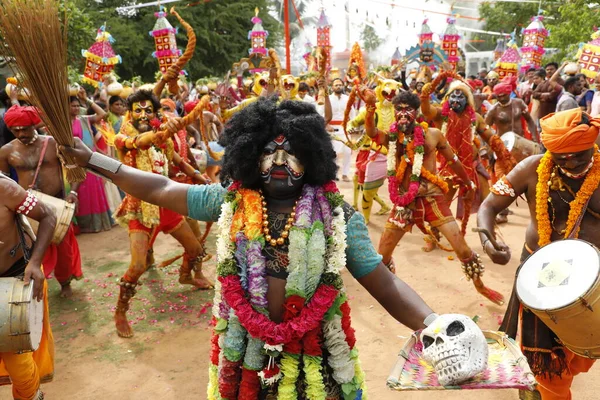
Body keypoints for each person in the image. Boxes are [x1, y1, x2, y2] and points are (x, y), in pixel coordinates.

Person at [60, 97, 445, 398]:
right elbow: (161, 188)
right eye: (268, 151)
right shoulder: (227, 200)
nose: (279, 161)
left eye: (292, 151)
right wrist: (93, 159)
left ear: (312, 159)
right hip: (245, 354)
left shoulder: (336, 214)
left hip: (315, 356)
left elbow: (382, 281)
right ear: (249, 154)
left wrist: (434, 325)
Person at [477, 108, 599, 399]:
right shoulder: (532, 168)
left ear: (592, 145)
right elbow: (488, 206)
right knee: (543, 361)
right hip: (540, 274)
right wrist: (487, 238)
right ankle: (540, 387)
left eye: (579, 155)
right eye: (561, 157)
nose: (570, 162)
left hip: (591, 279)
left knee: (584, 349)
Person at [366, 91, 503, 305]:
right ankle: (387, 289)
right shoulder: (391, 138)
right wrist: (370, 108)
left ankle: (480, 286)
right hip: (404, 203)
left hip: (433, 199)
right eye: (398, 109)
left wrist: (466, 181)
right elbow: (371, 131)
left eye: (407, 109)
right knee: (381, 256)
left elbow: (453, 160)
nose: (403, 114)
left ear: (417, 112)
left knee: (463, 249)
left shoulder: (433, 134)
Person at [109, 89, 212, 338]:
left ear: (155, 113)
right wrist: (162, 131)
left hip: (166, 204)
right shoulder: (123, 138)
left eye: (148, 111)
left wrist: (203, 179)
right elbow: (140, 142)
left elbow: (179, 161)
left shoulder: (163, 139)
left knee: (196, 249)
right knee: (138, 265)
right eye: (138, 110)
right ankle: (121, 312)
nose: (143, 114)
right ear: (129, 113)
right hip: (141, 209)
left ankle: (186, 276)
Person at [0, 105, 83, 298]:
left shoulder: (53, 144)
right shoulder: (5, 151)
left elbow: (75, 170)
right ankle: (33, 282)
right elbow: (4, 181)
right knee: (32, 248)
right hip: (25, 208)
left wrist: (74, 194)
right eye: (15, 130)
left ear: (34, 124)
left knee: (63, 249)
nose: (21, 133)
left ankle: (65, 283)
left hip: (56, 205)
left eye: (25, 128)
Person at [0, 174, 55, 400]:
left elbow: (48, 215)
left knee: (20, 368)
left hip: (14, 283)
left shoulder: (4, 188)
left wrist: (34, 262)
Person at [69, 91, 113, 233]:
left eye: (77, 106)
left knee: (94, 191)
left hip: (90, 160)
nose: (76, 108)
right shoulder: (61, 123)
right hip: (73, 162)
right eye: (73, 106)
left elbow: (103, 114)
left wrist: (86, 99)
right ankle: (84, 226)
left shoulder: (83, 119)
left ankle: (99, 224)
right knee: (81, 192)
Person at [329, 78, 354, 181]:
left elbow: (352, 114)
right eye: (336, 85)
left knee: (347, 151)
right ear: (332, 87)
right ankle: (333, 173)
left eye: (340, 85)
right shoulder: (328, 99)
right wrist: (325, 125)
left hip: (345, 128)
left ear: (343, 86)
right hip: (332, 129)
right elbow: (320, 113)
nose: (338, 86)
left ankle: (345, 174)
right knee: (333, 152)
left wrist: (352, 126)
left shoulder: (347, 98)